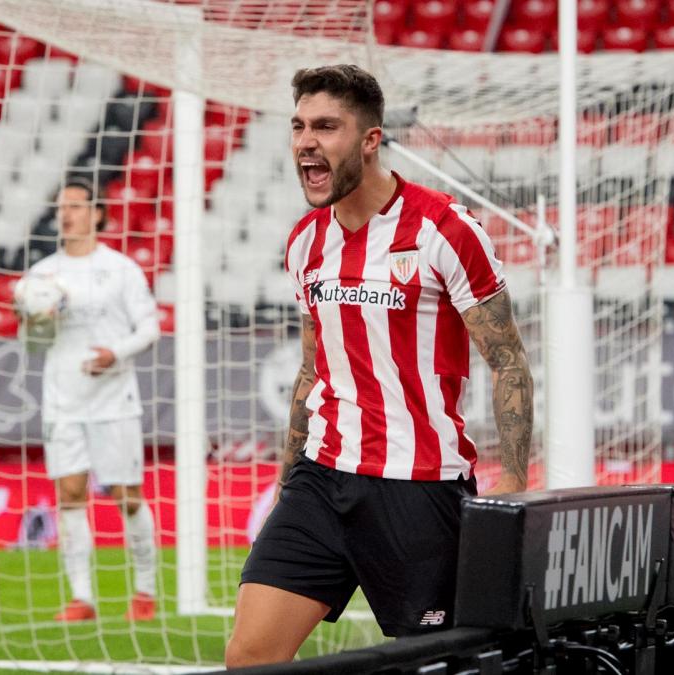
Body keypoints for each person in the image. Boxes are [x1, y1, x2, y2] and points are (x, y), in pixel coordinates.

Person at [225, 65, 534, 666]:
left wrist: (516, 481)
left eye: (325, 127)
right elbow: (314, 367)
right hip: (321, 478)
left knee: (439, 662)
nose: (305, 141)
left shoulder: (445, 229)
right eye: (298, 126)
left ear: (369, 141)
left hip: (418, 488)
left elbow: (508, 360)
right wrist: (290, 478)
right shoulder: (304, 242)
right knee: (250, 657)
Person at [21, 176, 162, 622]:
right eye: (61, 207)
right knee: (69, 494)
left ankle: (144, 590)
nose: (66, 214)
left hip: (113, 399)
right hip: (62, 400)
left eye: (77, 206)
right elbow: (33, 346)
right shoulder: (41, 275)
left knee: (127, 496)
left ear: (97, 213)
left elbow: (150, 329)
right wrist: (33, 320)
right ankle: (81, 598)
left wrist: (113, 354)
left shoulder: (121, 269)